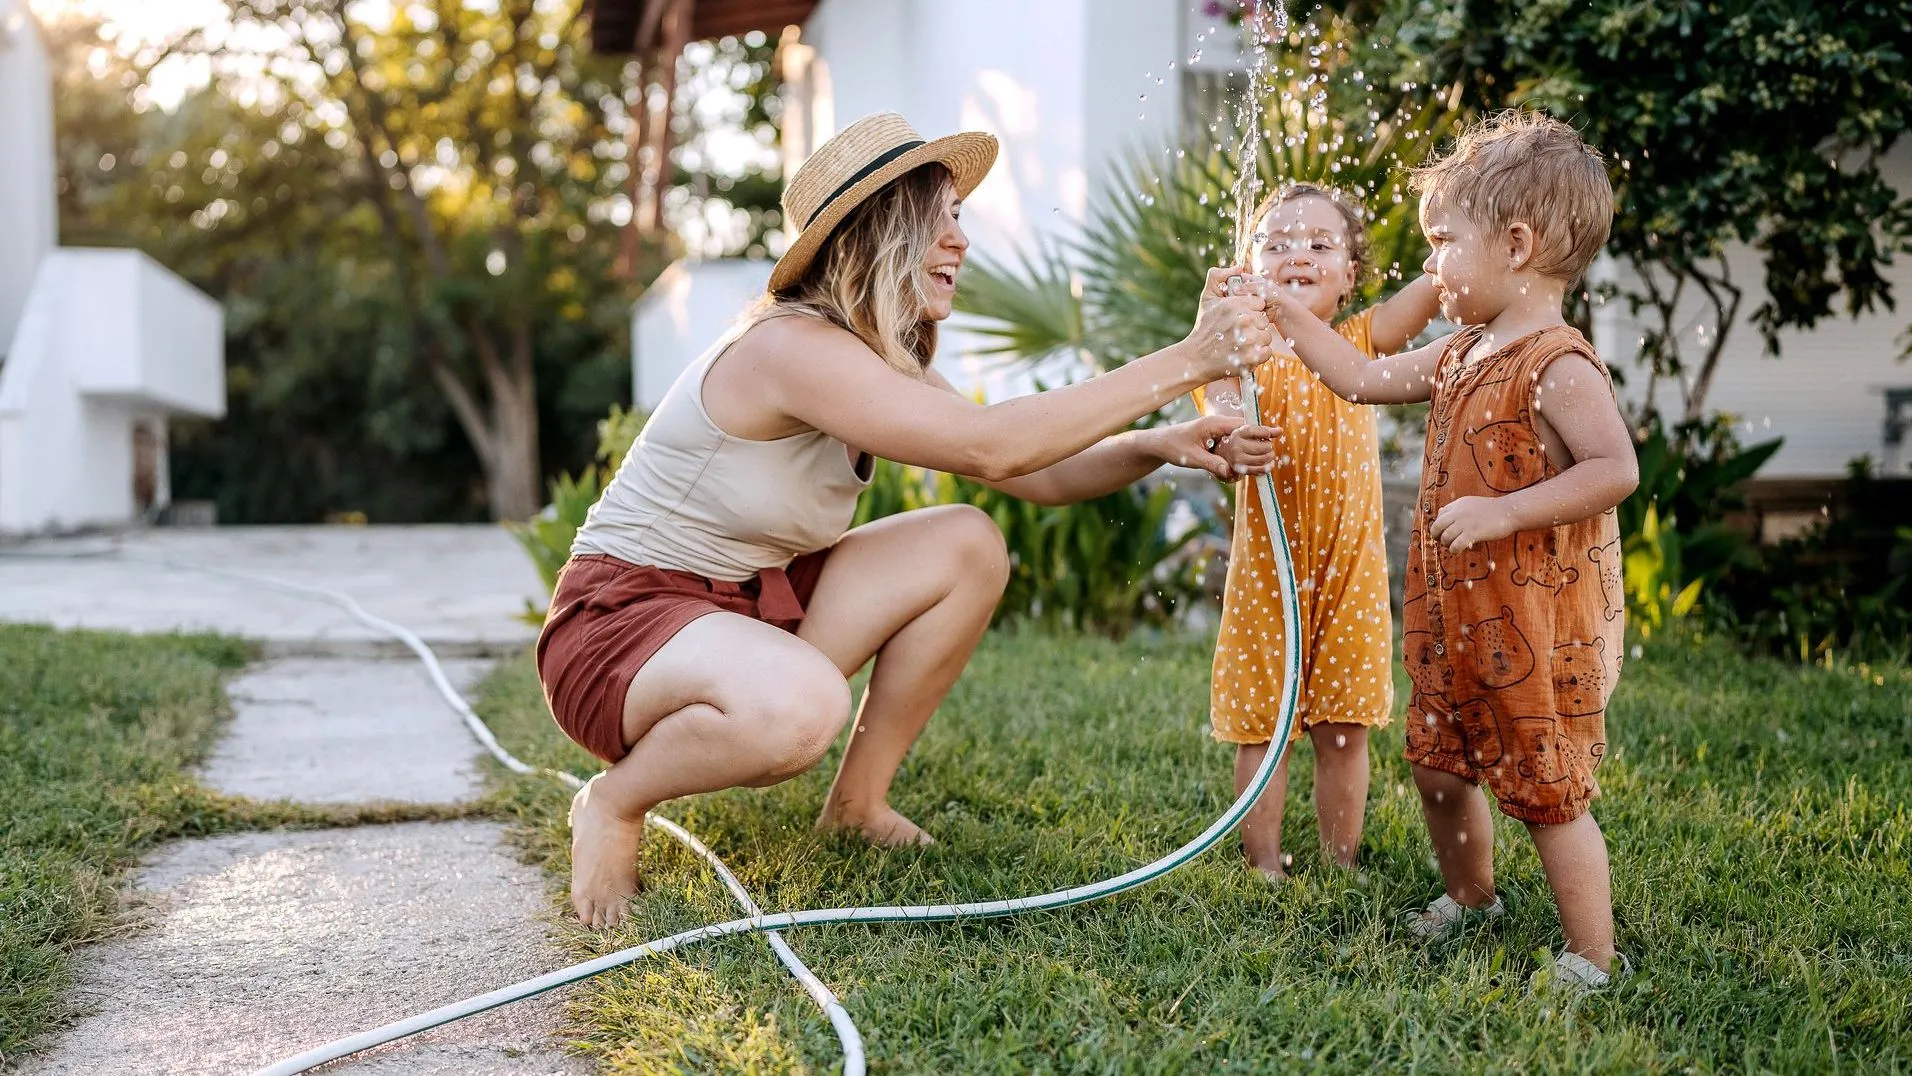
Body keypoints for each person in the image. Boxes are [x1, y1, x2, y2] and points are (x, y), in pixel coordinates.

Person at [536, 111, 1278, 928]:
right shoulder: (791, 349)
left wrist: (1161, 443)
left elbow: (1040, 472)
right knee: (801, 708)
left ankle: (858, 805)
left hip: (739, 608)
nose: (961, 241)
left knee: (966, 543)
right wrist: (1189, 358)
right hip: (620, 627)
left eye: (961, 219)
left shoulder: (875, 357)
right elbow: (994, 448)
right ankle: (612, 802)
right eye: (942, 217)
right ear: (880, 229)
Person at [1256, 110, 1637, 990]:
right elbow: (1358, 377)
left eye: (1440, 245)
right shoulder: (1461, 348)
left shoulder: (1557, 364)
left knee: (1547, 791)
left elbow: (1614, 468)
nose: (1431, 267)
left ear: (1513, 243)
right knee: (1437, 761)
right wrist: (1282, 311)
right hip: (1452, 612)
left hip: (1532, 622)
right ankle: (1473, 897)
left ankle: (1593, 954)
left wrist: (1508, 513)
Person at [1193, 183, 1440, 880]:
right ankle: (1264, 862)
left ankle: (1340, 861)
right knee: (1263, 725)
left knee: (1344, 725)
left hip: (1350, 569)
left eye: (1319, 244)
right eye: (1275, 243)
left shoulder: (1361, 339)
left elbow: (1429, 290)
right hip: (1266, 572)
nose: (1296, 255)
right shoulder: (1239, 349)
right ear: (1249, 265)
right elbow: (1216, 408)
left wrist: (1455, 244)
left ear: (1351, 273)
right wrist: (1232, 432)